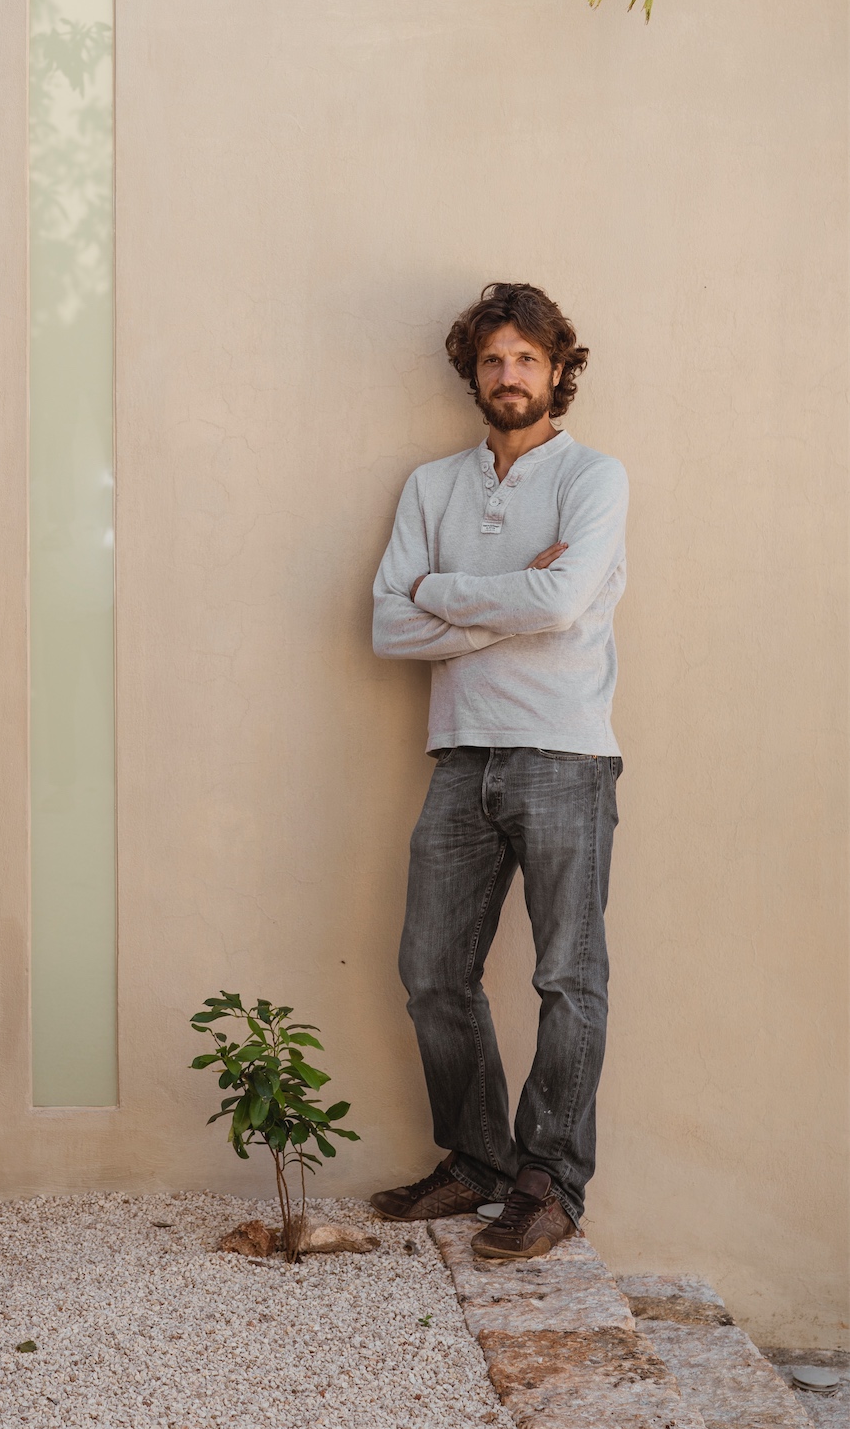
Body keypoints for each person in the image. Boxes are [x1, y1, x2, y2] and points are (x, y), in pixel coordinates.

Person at [368, 283, 627, 1260]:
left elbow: (562, 604)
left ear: (559, 369)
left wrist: (446, 596)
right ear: (472, 373)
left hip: (566, 750)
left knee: (568, 975)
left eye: (526, 358)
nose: (508, 375)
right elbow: (389, 623)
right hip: (459, 749)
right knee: (433, 972)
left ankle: (549, 1180)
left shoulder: (595, 478)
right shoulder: (432, 486)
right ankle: (475, 1161)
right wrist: (499, 598)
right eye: (491, 359)